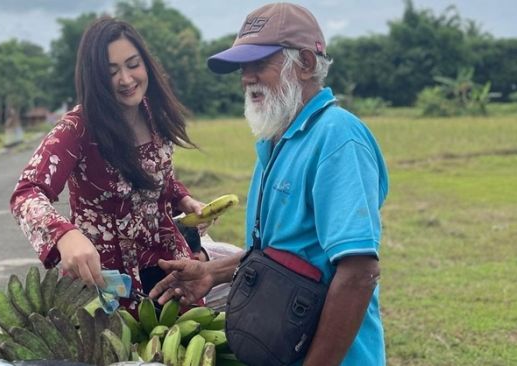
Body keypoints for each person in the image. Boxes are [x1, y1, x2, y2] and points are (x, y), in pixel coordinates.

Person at [150, 3, 389, 365]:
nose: (247, 78)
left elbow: (358, 272)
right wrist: (211, 272)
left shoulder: (337, 139)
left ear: (306, 63)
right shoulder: (276, 142)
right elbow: (279, 255)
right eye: (243, 68)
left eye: (260, 64)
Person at [9, 17, 207, 311]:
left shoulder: (154, 113)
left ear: (146, 64)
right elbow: (26, 193)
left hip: (171, 271)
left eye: (132, 64)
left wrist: (183, 198)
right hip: (107, 284)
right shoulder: (77, 128)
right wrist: (65, 235)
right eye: (111, 71)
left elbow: (157, 178)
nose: (126, 79)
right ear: (95, 78)